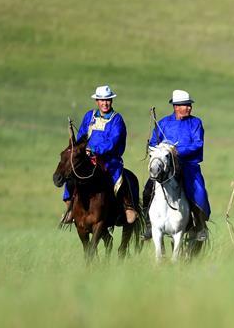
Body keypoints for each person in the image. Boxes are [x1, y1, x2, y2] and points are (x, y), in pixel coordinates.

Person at [61, 85, 138, 225]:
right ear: (97, 101)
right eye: (101, 100)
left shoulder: (117, 120)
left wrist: (95, 149)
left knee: (118, 177)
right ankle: (70, 207)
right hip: (88, 158)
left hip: (109, 158)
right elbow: (81, 136)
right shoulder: (89, 116)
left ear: (111, 101)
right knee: (70, 172)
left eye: (107, 100)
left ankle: (128, 206)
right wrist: (79, 149)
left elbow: (113, 141)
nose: (105, 103)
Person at [141, 89, 211, 241]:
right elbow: (153, 143)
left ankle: (199, 226)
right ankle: (147, 224)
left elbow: (198, 144)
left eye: (189, 105)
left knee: (199, 192)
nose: (189, 107)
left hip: (188, 165)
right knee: (147, 190)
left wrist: (176, 150)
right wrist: (162, 150)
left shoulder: (196, 123)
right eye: (185, 105)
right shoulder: (163, 123)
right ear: (176, 107)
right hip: (166, 167)